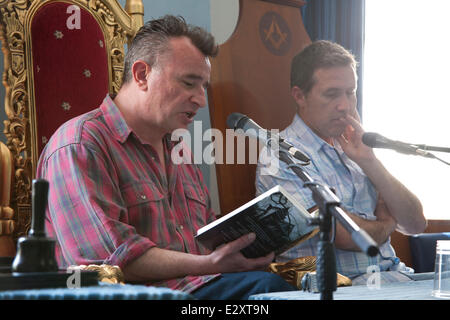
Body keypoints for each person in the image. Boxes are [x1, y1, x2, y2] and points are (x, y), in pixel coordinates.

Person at [36, 15, 295, 299]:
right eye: (188, 83)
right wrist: (208, 264)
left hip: (202, 287)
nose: (201, 100)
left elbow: (208, 238)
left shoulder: (180, 149)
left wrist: (243, 247)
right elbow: (106, 259)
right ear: (142, 75)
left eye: (204, 87)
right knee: (270, 293)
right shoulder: (79, 143)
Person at [256, 40, 427, 285]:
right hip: (340, 284)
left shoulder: (356, 146)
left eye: (350, 92)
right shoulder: (280, 153)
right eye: (332, 93)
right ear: (299, 96)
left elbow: (416, 224)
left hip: (393, 275)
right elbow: (345, 234)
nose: (345, 105)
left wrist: (371, 162)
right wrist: (387, 224)